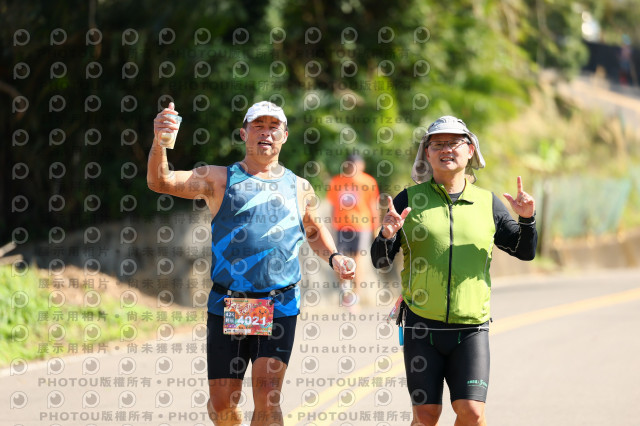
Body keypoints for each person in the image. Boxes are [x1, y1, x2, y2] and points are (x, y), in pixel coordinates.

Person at [147, 100, 355, 426]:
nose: (266, 133)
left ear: (284, 136)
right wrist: (160, 141)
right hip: (230, 302)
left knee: (268, 397)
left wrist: (335, 256)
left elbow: (313, 231)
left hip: (279, 302)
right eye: (258, 126)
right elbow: (160, 181)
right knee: (222, 405)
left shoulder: (299, 187)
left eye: (273, 127)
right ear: (244, 134)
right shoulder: (218, 178)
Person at [370, 116, 537, 426]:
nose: (446, 149)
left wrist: (527, 219)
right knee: (426, 416)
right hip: (422, 327)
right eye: (437, 144)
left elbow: (524, 251)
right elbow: (381, 262)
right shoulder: (410, 200)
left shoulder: (487, 203)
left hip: (471, 328)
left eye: (454, 143)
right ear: (427, 153)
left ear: (470, 150)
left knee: (472, 412)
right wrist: (387, 235)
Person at [326, 154, 379, 308]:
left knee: (358, 259)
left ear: (362, 165)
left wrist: (376, 227)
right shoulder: (337, 181)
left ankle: (355, 295)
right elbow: (333, 205)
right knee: (338, 258)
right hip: (341, 226)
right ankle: (345, 290)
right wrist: (331, 225)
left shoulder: (368, 181)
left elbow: (373, 205)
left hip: (362, 225)